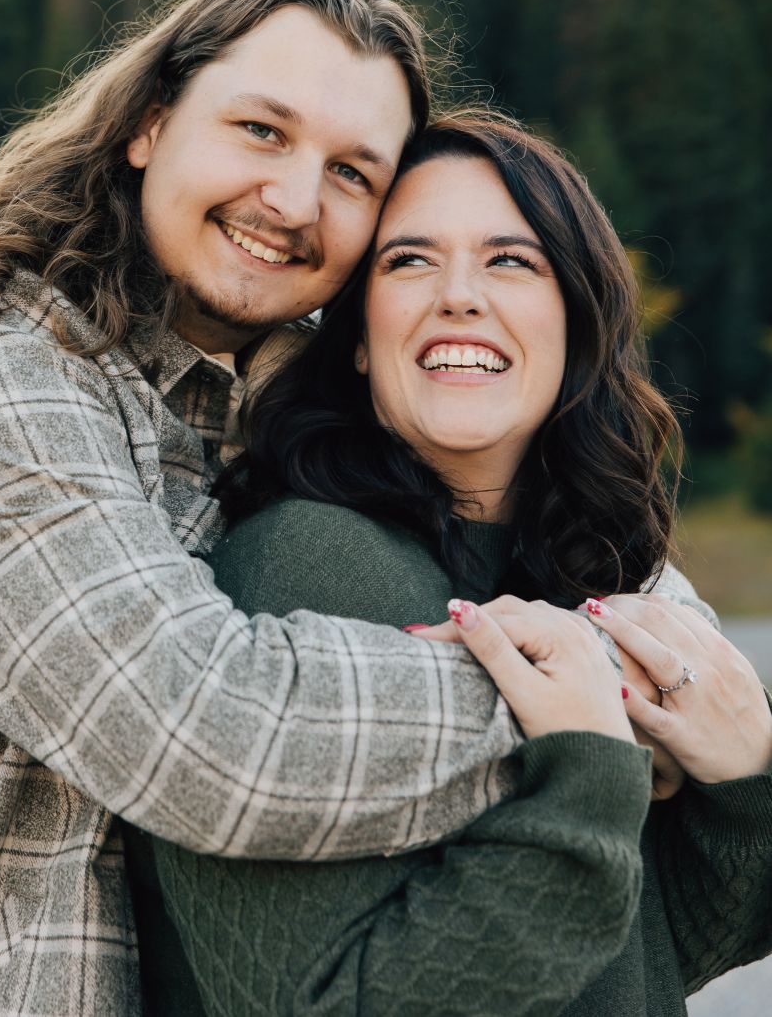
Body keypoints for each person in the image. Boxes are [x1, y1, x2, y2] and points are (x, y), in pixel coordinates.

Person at [0, 0, 546, 1017]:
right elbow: (202, 739)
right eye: (260, 131)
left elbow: (522, 502)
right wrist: (577, 712)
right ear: (148, 123)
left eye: (353, 174)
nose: (294, 201)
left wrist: (661, 638)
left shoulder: (275, 374)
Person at [130, 111, 772, 1016]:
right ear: (357, 338)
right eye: (408, 261)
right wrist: (587, 770)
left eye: (509, 260)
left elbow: (639, 952)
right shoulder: (309, 568)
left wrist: (745, 781)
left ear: (577, 321)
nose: (459, 296)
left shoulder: (570, 573)